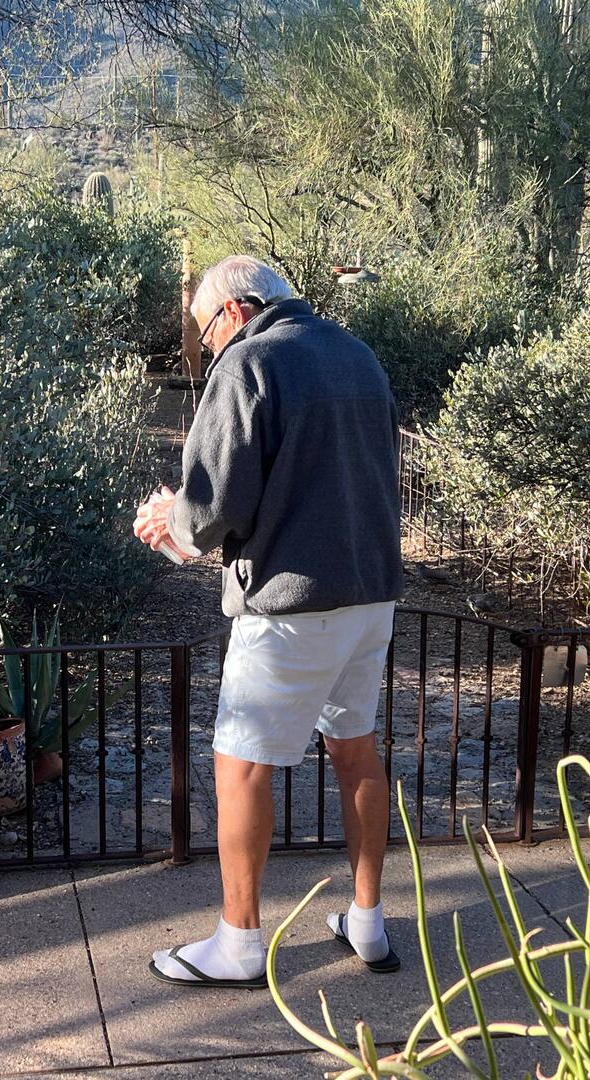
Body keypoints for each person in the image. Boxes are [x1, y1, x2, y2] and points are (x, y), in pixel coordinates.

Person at [133, 255, 403, 989]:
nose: (207, 349)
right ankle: (368, 922)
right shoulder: (358, 355)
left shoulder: (248, 362)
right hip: (370, 594)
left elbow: (213, 504)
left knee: (242, 765)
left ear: (236, 310)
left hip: (290, 602)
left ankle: (240, 944)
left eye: (205, 334)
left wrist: (170, 522)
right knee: (356, 751)